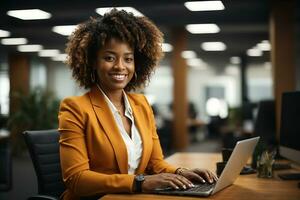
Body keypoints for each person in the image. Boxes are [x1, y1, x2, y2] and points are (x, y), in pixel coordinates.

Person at [58, 9, 217, 200]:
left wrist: (181, 172)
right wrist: (139, 182)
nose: (120, 66)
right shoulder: (75, 108)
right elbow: (76, 179)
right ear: (93, 62)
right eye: (109, 58)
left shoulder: (141, 104)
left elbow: (156, 163)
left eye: (128, 58)